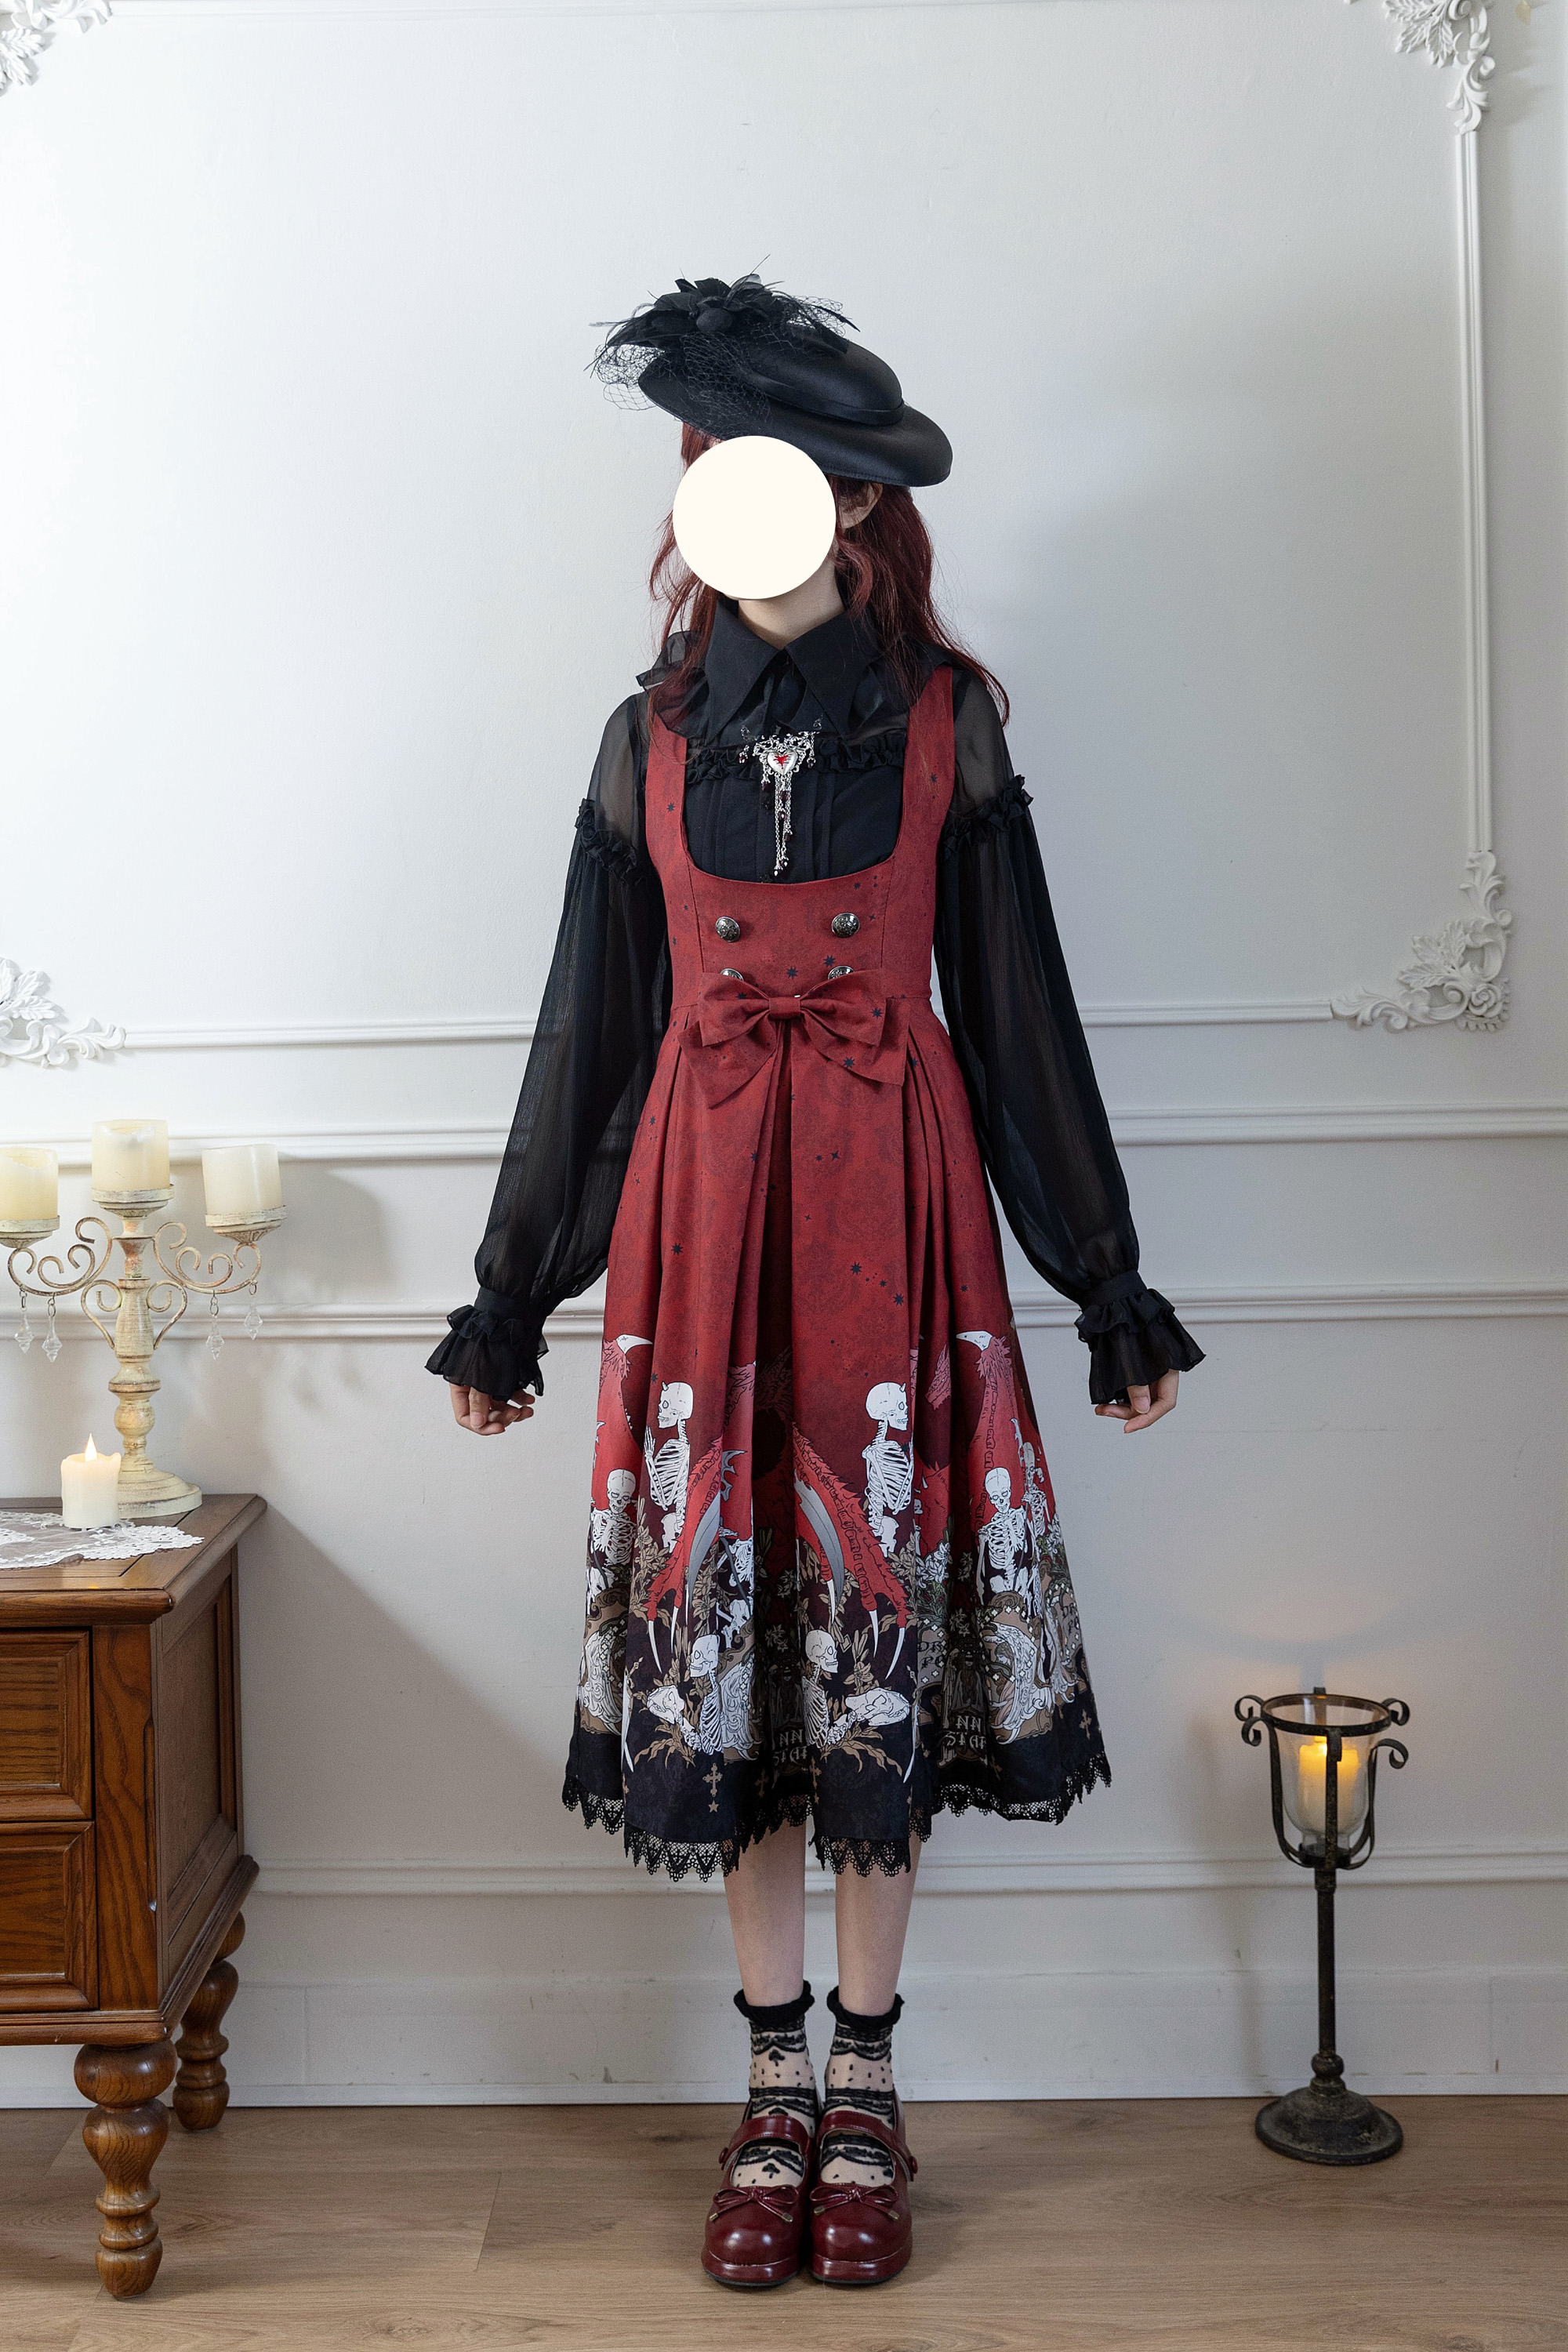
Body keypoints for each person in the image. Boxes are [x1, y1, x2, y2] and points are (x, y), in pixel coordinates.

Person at [430, 274, 1203, 2289]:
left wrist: (1105, 1283)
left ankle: (865, 2084)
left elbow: (1018, 1018)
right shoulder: (645, 740)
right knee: (734, 1647)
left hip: (894, 1216)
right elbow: (588, 1035)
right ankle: (768, 2082)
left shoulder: (946, 723)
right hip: (701, 1230)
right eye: (709, 467)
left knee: (870, 1639)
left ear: (854, 502)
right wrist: (512, 1299)